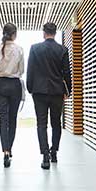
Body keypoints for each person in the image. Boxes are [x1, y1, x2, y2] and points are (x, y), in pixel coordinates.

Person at [26, 22, 71, 170]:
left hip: (39, 92)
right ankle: (54, 152)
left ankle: (45, 156)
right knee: (56, 123)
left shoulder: (35, 48)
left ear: (43, 33)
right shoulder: (63, 50)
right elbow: (66, 73)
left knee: (41, 124)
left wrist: (30, 88)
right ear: (55, 33)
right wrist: (67, 90)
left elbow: (30, 70)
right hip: (57, 92)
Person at [0, 23, 25, 168]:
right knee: (12, 119)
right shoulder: (19, 49)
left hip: (1, 85)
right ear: (14, 34)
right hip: (15, 85)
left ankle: (5, 151)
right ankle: (9, 149)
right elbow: (22, 70)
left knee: (2, 119)